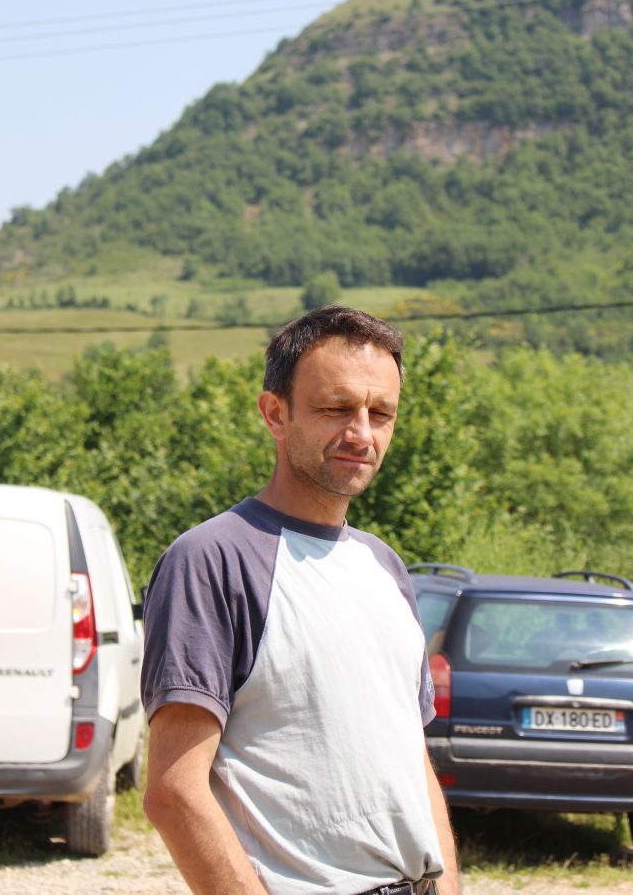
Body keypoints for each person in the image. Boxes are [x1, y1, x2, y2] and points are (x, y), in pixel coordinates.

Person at [141, 305, 460, 895]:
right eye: (337, 408)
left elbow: (410, 759)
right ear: (275, 413)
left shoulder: (384, 566)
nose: (362, 433)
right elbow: (174, 791)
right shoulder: (213, 560)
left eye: (380, 412)